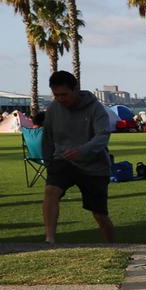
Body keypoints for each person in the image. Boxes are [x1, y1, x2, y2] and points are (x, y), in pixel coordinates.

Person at [40, 70, 115, 243]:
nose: (60, 99)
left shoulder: (96, 108)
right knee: (51, 191)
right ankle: (49, 239)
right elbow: (47, 138)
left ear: (75, 89)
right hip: (62, 160)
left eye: (64, 94)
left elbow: (102, 136)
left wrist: (82, 150)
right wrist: (49, 162)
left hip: (94, 166)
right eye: (56, 95)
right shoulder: (53, 109)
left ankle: (112, 246)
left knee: (100, 215)